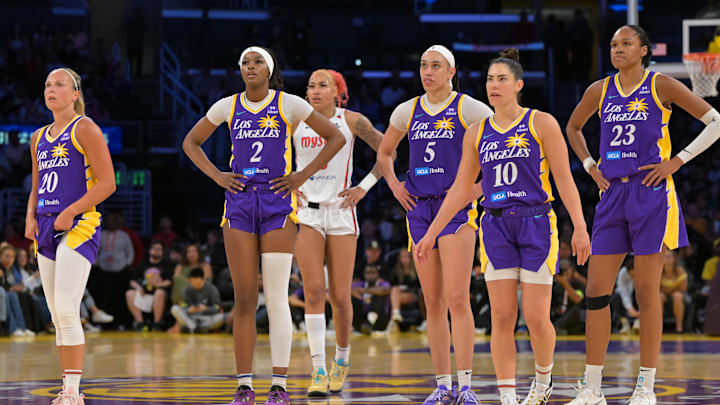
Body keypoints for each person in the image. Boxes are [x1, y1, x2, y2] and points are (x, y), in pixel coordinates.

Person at [414, 48, 591, 405]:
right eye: (490, 79)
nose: (494, 85)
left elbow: (564, 180)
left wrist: (581, 227)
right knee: (502, 315)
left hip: (536, 222)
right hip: (494, 225)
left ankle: (543, 381)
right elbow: (462, 190)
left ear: (518, 85)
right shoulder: (477, 132)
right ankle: (508, 397)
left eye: (502, 79)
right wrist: (431, 232)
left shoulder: (542, 123)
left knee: (537, 318)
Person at [564, 25, 720, 405]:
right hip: (612, 193)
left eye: (626, 44)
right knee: (597, 291)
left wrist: (677, 161)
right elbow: (573, 126)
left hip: (651, 194)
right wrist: (588, 164)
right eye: (614, 44)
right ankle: (593, 388)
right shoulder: (599, 90)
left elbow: (716, 121)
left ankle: (646, 387)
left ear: (644, 50)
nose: (617, 49)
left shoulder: (661, 84)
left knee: (649, 292)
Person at [183, 46, 344, 405]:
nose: (250, 67)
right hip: (239, 201)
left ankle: (279, 386)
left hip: (277, 203)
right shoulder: (227, 105)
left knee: (275, 298)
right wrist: (217, 176)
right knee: (244, 299)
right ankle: (243, 386)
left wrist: (300, 176)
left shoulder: (289, 104)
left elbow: (336, 138)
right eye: (245, 63)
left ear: (269, 70)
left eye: (257, 62)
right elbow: (191, 143)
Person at [377, 44, 494, 404]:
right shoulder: (406, 110)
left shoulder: (471, 108)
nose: (428, 71)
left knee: (458, 298)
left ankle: (467, 386)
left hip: (456, 211)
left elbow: (498, 150)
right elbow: (384, 153)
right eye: (424, 65)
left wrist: (472, 192)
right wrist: (396, 186)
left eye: (436, 66)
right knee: (434, 301)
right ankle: (443, 386)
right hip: (419, 209)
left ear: (451, 72)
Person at [293, 68, 388, 396]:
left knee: (340, 296)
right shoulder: (295, 119)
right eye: (310, 86)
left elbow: (387, 150)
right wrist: (289, 183)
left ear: (338, 92)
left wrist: (365, 187)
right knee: (314, 292)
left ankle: (342, 360)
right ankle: (318, 369)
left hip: (342, 214)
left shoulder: (352, 120)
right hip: (307, 214)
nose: (315, 90)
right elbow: (276, 157)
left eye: (323, 85)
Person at [24, 67, 116, 405]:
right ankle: (67, 387)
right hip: (45, 224)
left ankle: (73, 393)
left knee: (65, 307)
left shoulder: (86, 127)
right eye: (47, 84)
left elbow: (108, 183)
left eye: (59, 84)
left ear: (75, 93)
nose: (51, 89)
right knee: (55, 314)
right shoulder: (38, 137)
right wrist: (30, 215)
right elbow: (36, 185)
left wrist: (71, 211)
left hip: (79, 223)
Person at [170, 268, 225, 333]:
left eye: (198, 283)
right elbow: (183, 305)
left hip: (207, 318)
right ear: (190, 280)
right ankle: (195, 328)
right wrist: (189, 310)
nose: (196, 286)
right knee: (174, 308)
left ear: (203, 280)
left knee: (221, 317)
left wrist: (206, 309)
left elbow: (217, 307)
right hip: (191, 318)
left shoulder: (212, 289)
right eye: (193, 284)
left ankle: (192, 328)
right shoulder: (186, 290)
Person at [660, 250, 688, 333]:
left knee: (677, 296)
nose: (667, 259)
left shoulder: (680, 270)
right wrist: (670, 289)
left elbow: (683, 288)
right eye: (665, 256)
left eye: (669, 256)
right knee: (658, 297)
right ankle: (659, 324)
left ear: (675, 259)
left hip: (677, 292)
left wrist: (668, 290)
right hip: (663, 293)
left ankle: (679, 325)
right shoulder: (659, 270)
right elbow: (656, 288)